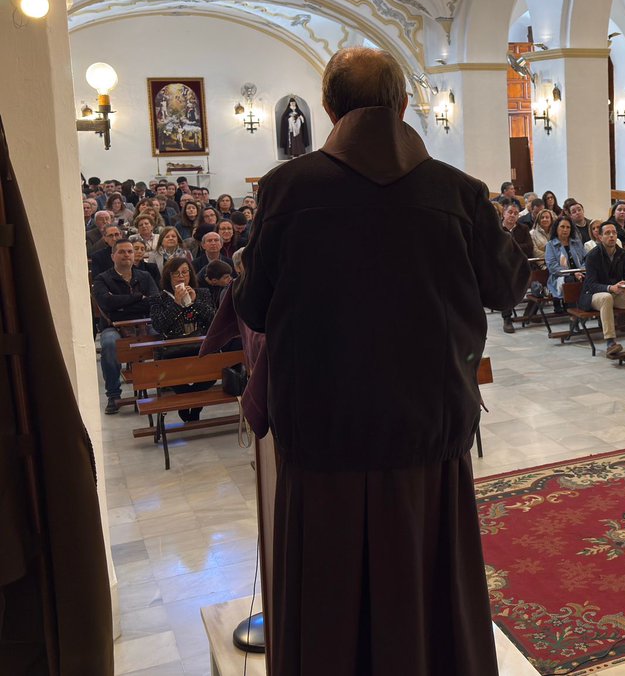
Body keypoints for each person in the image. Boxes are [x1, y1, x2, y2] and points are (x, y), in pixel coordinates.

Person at [234, 46, 527, 674]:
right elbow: (506, 288)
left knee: (329, 593)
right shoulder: (458, 191)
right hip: (426, 430)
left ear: (330, 108)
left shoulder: (286, 189)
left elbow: (254, 307)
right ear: (401, 107)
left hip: (324, 436)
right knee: (427, 579)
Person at [92, 238, 158, 414]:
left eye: (130, 251)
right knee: (108, 344)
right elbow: (106, 303)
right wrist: (138, 297)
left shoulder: (145, 276)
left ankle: (163, 384)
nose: (127, 255)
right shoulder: (102, 279)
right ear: (113, 256)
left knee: (163, 335)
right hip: (114, 326)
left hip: (145, 322)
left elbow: (154, 301)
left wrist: (121, 306)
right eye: (121, 252)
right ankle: (113, 394)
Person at [150, 257, 217, 422]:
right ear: (168, 276)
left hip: (199, 346)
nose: (181, 276)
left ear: (190, 274)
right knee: (173, 376)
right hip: (174, 350)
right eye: (176, 273)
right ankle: (189, 402)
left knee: (213, 371)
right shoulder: (159, 298)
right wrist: (177, 304)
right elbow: (159, 326)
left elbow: (214, 320)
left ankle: (194, 405)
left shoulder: (203, 293)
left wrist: (195, 302)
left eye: (185, 272)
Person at [579, 223, 625, 359]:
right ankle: (610, 342)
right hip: (592, 295)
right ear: (600, 237)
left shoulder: (623, 254)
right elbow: (591, 284)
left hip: (615, 292)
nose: (611, 236)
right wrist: (610, 288)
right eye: (607, 233)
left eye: (614, 233)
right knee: (606, 297)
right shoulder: (593, 256)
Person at [499, 201, 534, 333]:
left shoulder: (523, 228)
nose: (513, 215)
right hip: (501, 266)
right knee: (506, 285)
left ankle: (529, 313)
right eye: (510, 212)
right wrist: (517, 248)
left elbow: (529, 248)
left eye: (515, 213)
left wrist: (510, 247)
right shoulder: (497, 228)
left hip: (521, 265)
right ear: (504, 213)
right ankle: (507, 318)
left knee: (537, 283)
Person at [545, 215, 586, 312]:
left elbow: (586, 259)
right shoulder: (550, 245)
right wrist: (572, 273)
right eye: (562, 227)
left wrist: (582, 271)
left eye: (568, 227)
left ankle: (587, 306)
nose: (565, 230)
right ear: (556, 228)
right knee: (571, 280)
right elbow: (553, 267)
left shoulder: (576, 242)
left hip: (580, 273)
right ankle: (572, 310)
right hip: (560, 277)